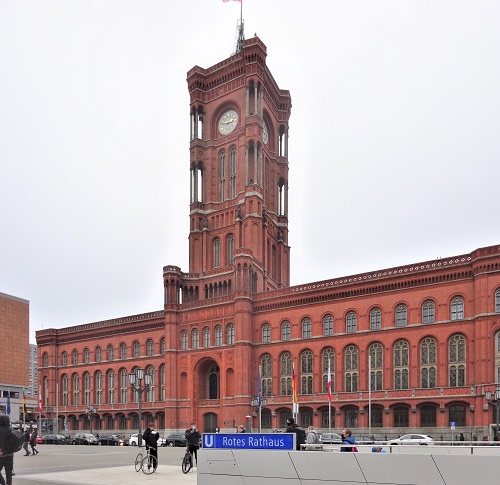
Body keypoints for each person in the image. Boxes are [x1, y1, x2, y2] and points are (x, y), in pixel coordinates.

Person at [0, 415, 15, 485]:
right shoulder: (11, 429)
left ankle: (3, 483)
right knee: (9, 472)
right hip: (10, 454)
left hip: (1, 454)